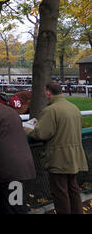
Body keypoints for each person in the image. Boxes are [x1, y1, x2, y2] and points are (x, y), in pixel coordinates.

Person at [25, 82, 88, 214]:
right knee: (73, 190)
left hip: (59, 158)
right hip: (74, 156)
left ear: (48, 92)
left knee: (60, 193)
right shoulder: (74, 108)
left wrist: (27, 130)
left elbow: (41, 133)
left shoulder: (51, 110)